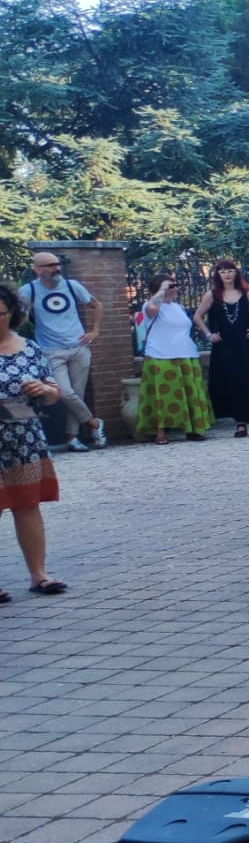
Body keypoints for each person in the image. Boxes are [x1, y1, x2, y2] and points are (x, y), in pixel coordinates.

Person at [0, 282, 66, 597]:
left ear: (12, 312)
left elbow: (54, 394)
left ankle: (39, 575)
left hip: (24, 440)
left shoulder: (30, 347)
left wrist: (44, 390)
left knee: (27, 505)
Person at [18, 250, 104, 451]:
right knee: (65, 393)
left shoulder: (72, 286)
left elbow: (97, 305)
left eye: (57, 264)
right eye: (50, 265)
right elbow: (19, 318)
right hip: (51, 350)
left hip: (79, 347)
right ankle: (94, 424)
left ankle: (72, 438)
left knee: (78, 394)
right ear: (38, 270)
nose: (56, 268)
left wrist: (95, 331)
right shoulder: (28, 290)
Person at [194, 258, 249, 438]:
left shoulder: (246, 293)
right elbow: (197, 316)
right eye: (223, 271)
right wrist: (208, 334)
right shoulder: (213, 295)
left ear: (236, 273)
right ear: (217, 274)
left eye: (230, 270)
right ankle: (240, 423)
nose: (227, 274)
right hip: (224, 347)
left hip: (245, 345)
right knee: (233, 383)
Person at [135, 279, 215, 445]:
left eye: (174, 285)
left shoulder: (178, 307)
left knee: (189, 394)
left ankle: (192, 429)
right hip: (160, 356)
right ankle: (160, 431)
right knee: (162, 395)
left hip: (186, 354)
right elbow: (150, 311)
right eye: (171, 286)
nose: (175, 288)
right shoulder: (150, 305)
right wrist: (163, 288)